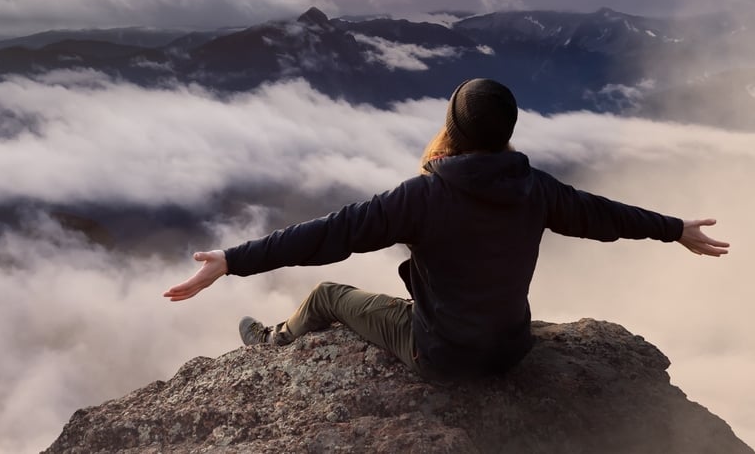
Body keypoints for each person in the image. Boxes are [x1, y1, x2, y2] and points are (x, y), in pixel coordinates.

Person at [163, 78, 730, 380]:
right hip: (511, 351)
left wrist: (233, 259)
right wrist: (674, 227)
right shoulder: (536, 187)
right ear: (508, 129)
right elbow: (603, 215)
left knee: (326, 296)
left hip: (445, 357)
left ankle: (273, 344)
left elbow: (329, 233)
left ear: (452, 128)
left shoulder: (424, 196)